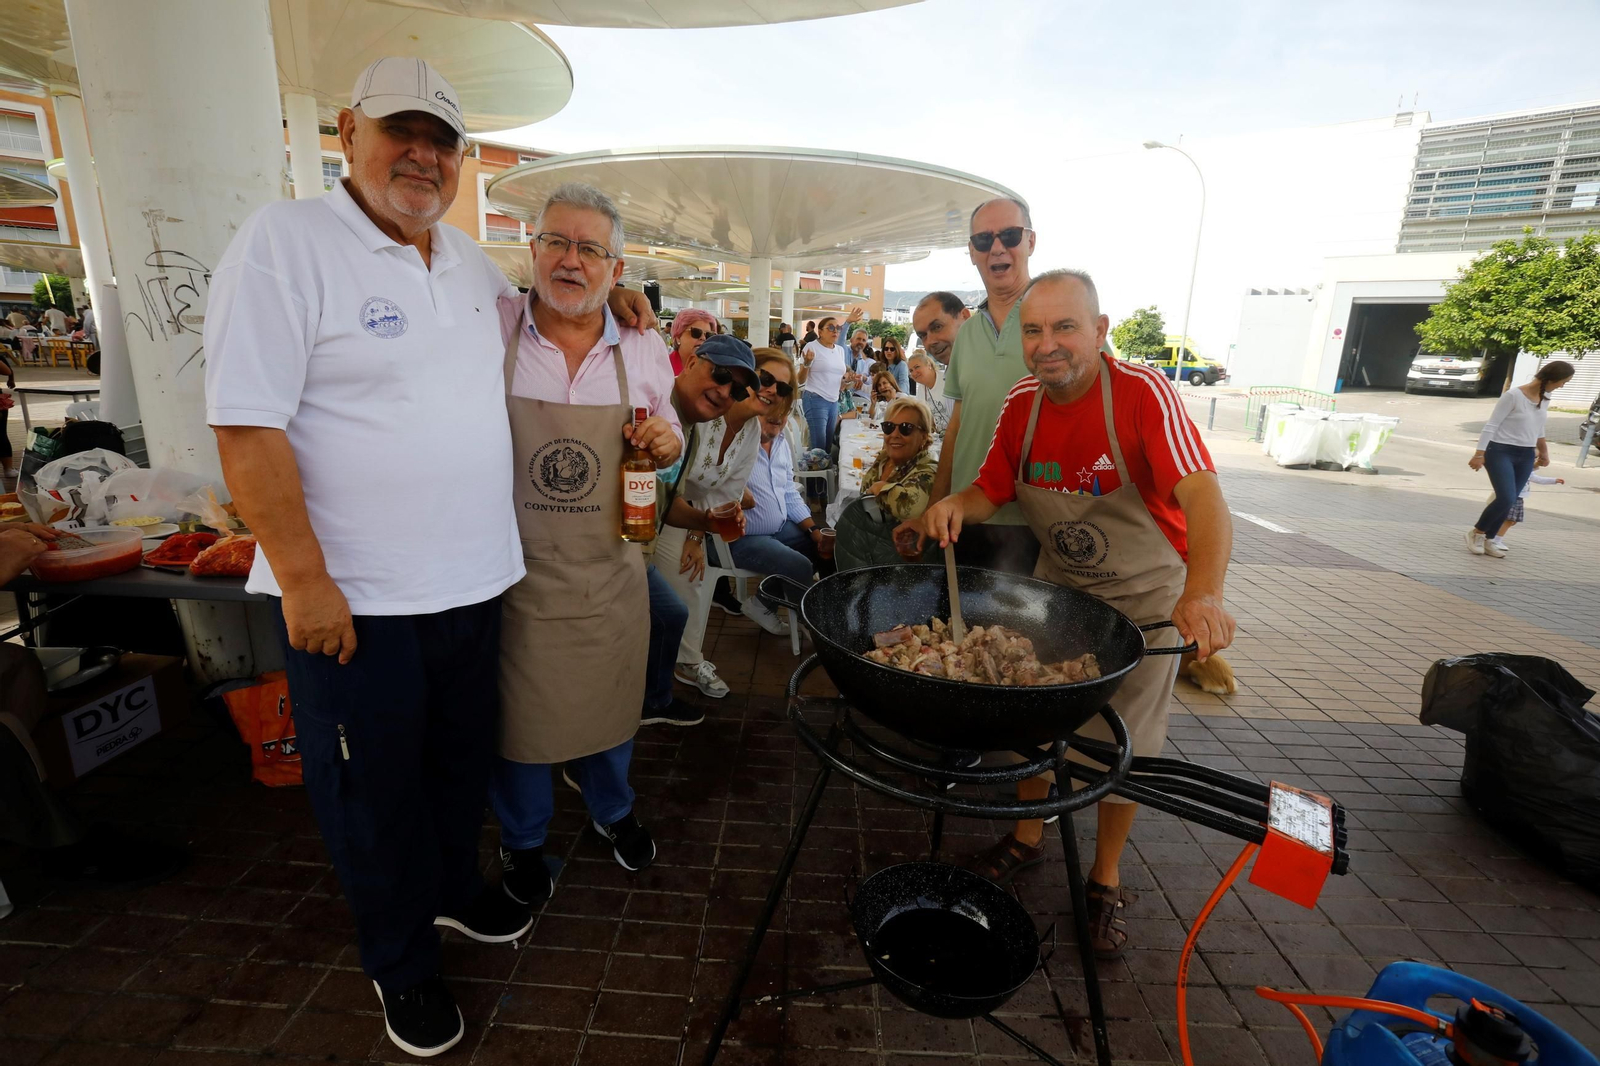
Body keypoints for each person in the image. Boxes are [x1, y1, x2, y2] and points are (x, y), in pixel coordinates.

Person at [204, 57, 657, 1059]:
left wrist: (621, 302)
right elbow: (245, 428)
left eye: (442, 140)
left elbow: (552, 314)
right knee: (374, 794)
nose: (423, 155)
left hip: (474, 581)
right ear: (347, 134)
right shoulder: (285, 243)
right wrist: (307, 579)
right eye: (400, 131)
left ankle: (455, 893)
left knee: (456, 769)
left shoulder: (465, 265)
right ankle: (400, 962)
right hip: (356, 602)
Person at [910, 270, 1237, 959]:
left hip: (1149, 602)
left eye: (1065, 328)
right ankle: (1027, 838)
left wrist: (1203, 593)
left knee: (1131, 748)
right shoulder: (1025, 401)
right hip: (1059, 594)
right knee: (1035, 716)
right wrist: (954, 507)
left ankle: (1105, 879)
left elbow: (1204, 497)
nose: (1047, 344)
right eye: (1034, 330)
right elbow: (992, 484)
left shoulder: (1142, 395)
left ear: (1100, 330)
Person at [491, 181, 684, 910]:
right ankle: (523, 838)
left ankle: (612, 809)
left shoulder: (643, 343)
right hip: (514, 575)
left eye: (590, 249)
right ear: (533, 249)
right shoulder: (494, 324)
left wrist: (668, 440)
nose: (571, 261)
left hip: (608, 571)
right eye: (556, 243)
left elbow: (667, 432)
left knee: (609, 704)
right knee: (516, 723)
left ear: (617, 265)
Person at [928, 199, 1045, 576]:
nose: (997, 247)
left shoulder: (1057, 320)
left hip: (1035, 522)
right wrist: (935, 505)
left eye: (1009, 235)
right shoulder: (970, 331)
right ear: (972, 253)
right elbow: (958, 427)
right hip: (966, 515)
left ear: (1030, 241)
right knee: (958, 631)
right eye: (983, 239)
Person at [655, 334, 760, 698]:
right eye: (720, 375)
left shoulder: (693, 431)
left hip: (652, 532)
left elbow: (669, 501)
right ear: (692, 361)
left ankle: (655, 696)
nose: (725, 391)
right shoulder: (653, 400)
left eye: (738, 390)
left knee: (670, 612)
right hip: (611, 546)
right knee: (669, 609)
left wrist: (704, 525)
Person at [673, 347, 797, 639]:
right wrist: (695, 535)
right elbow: (672, 482)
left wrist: (697, 533)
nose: (771, 390)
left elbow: (727, 494)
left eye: (782, 387)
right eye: (764, 377)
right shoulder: (710, 409)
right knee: (684, 586)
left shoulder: (752, 431)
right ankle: (682, 662)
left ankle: (688, 660)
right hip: (662, 507)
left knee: (689, 583)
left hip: (691, 519)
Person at [725, 394, 833, 631]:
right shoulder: (735, 442)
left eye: (781, 416)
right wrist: (735, 493)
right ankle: (814, 627)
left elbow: (789, 493)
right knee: (798, 566)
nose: (777, 421)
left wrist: (814, 529)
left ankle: (763, 603)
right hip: (740, 538)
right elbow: (709, 486)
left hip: (779, 530)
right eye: (769, 415)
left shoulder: (781, 442)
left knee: (823, 548)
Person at [1466, 361, 1574, 558]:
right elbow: (1491, 426)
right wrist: (1479, 454)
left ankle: (1490, 539)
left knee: (1512, 499)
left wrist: (1544, 451)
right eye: (1563, 382)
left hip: (1525, 454)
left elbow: (1538, 427)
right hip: (1500, 451)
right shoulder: (1513, 396)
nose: (1562, 386)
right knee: (1506, 497)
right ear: (1551, 379)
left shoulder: (1545, 397)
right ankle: (1477, 533)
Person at [863, 395, 939, 521]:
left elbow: (913, 507)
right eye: (889, 427)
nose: (894, 434)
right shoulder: (885, 458)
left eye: (906, 428)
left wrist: (880, 488)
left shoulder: (929, 467)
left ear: (924, 437)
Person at [798, 308, 862, 454]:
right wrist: (807, 363)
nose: (835, 331)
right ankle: (814, 477)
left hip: (834, 402)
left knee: (827, 445)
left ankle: (821, 475)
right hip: (815, 399)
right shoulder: (811, 347)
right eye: (831, 328)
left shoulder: (839, 350)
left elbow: (839, 381)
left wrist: (847, 381)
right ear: (820, 331)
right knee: (818, 447)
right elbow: (800, 379)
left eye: (837, 328)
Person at [1491, 471, 1564, 551]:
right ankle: (1496, 540)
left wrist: (1554, 480)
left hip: (1519, 497)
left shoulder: (1527, 469)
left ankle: (1492, 535)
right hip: (1513, 495)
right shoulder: (1516, 467)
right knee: (1509, 520)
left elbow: (1538, 479)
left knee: (1512, 521)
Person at [907, 352, 950, 434]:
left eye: (917, 367)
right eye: (911, 370)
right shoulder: (921, 389)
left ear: (929, 365)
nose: (914, 373)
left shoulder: (946, 381)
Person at [668, 307, 719, 376]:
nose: (703, 338)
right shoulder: (663, 367)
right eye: (696, 332)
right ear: (678, 337)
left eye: (708, 335)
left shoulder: (714, 369)